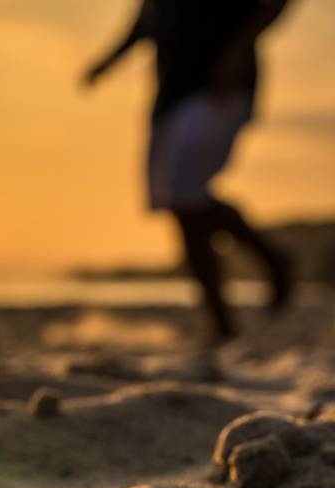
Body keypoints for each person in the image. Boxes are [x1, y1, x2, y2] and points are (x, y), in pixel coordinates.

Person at [83, 0, 296, 342]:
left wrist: (238, 50)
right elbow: (146, 21)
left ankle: (272, 259)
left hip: (217, 87)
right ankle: (222, 321)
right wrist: (107, 62)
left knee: (185, 197)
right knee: (181, 208)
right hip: (172, 96)